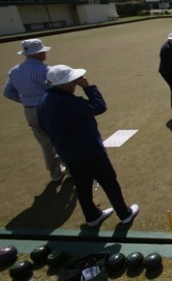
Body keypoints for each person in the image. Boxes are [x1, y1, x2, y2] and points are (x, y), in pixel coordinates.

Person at [37, 64, 139, 227]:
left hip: (68, 154)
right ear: (63, 84)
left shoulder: (43, 101)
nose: (75, 84)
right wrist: (87, 87)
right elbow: (99, 106)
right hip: (90, 151)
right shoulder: (69, 101)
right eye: (72, 81)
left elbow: (43, 126)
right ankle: (124, 214)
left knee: (82, 187)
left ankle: (92, 217)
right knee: (109, 182)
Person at [3, 38, 65, 182]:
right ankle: (70, 169)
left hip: (29, 111)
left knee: (45, 143)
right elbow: (58, 89)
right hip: (49, 109)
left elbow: (7, 92)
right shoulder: (45, 70)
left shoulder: (14, 71)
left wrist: (24, 100)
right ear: (38, 53)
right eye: (43, 51)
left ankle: (55, 174)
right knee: (61, 139)